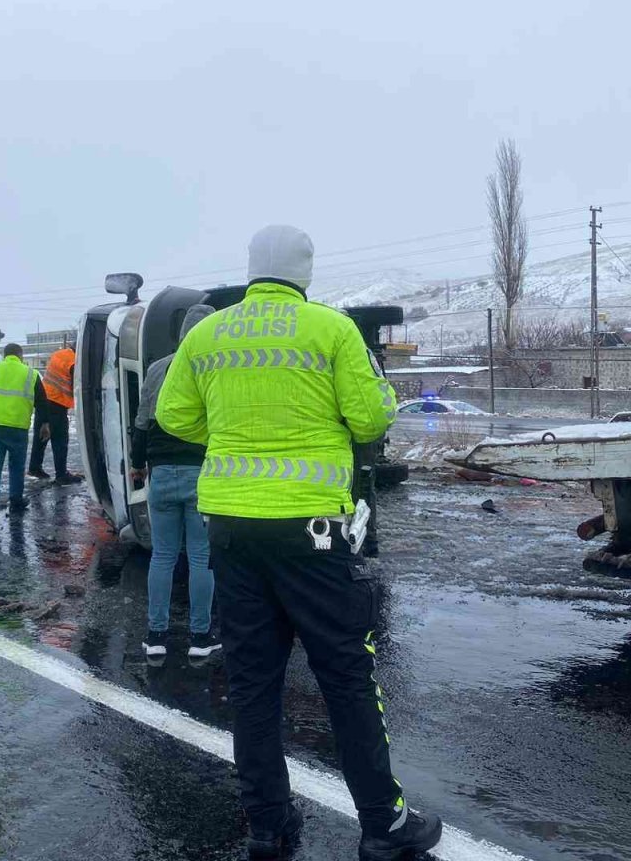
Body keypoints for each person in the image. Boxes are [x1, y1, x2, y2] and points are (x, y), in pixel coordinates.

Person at [157, 226, 442, 861]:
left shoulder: (205, 335)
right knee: (344, 673)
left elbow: (174, 416)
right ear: (304, 271)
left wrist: (231, 434)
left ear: (252, 268)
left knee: (253, 682)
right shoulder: (331, 329)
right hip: (312, 527)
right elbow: (371, 417)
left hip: (230, 526)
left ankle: (268, 824)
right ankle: (383, 825)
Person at [131, 304, 220, 661]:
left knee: (162, 556)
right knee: (201, 558)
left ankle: (156, 636)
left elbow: (141, 422)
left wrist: (138, 465)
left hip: (162, 473)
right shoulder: (214, 366)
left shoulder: (156, 369)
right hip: (202, 473)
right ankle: (200, 639)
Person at [0, 342, 51, 528]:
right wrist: (44, 424)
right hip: (18, 428)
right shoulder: (31, 374)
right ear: (20, 356)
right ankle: (16, 501)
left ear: (5, 355)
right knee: (16, 466)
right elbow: (42, 402)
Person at [30, 342, 84, 486]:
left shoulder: (59, 354)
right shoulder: (73, 361)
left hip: (44, 400)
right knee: (60, 440)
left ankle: (34, 467)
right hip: (57, 403)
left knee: (41, 436)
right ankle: (61, 474)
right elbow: (77, 385)